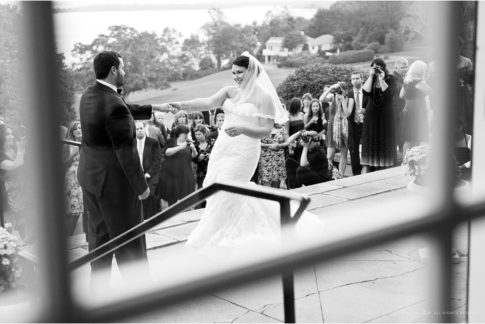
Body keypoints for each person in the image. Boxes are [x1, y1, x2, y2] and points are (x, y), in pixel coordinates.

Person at [169, 52, 317, 248]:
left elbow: (265, 129)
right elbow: (206, 102)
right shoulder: (229, 92)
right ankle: (227, 236)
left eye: (239, 72)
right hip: (223, 149)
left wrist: (242, 129)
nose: (236, 76)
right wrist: (180, 105)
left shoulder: (263, 97)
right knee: (215, 189)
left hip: (245, 151)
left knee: (229, 189)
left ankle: (217, 241)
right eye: (233, 73)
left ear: (251, 71)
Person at [77, 51, 173, 281]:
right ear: (113, 70)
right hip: (115, 187)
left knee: (100, 240)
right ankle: (138, 295)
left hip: (91, 179)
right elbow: (126, 152)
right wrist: (142, 188)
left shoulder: (90, 93)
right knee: (131, 243)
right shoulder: (114, 105)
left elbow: (120, 109)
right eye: (123, 67)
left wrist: (154, 108)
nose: (125, 71)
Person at [361, 58, 397, 173]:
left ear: (383, 67)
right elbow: (365, 91)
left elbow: (390, 94)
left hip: (385, 118)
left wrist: (381, 79)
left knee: (384, 143)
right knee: (371, 144)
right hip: (371, 118)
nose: (376, 70)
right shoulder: (371, 80)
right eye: (374, 67)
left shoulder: (390, 79)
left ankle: (385, 171)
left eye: (378, 67)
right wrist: (371, 76)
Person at [321, 82, 353, 179]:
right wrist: (331, 87)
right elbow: (321, 99)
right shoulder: (332, 97)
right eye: (339, 89)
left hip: (344, 129)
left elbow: (347, 114)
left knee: (343, 154)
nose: (341, 91)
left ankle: (341, 176)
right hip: (333, 128)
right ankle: (328, 174)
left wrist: (343, 100)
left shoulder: (350, 99)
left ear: (346, 90)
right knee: (330, 155)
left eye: (343, 89)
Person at [160, 124, 197, 206]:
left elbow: (193, 157)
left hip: (186, 174)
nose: (186, 135)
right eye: (185, 133)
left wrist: (194, 150)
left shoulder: (188, 142)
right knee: (173, 200)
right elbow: (167, 152)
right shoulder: (171, 141)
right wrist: (179, 147)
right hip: (174, 175)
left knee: (187, 199)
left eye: (187, 133)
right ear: (179, 133)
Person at [400, 60, 431, 155]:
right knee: (420, 139)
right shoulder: (420, 83)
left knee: (409, 139)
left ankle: (406, 162)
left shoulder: (407, 81)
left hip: (407, 112)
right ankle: (417, 161)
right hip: (418, 113)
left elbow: (401, 95)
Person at [135, 121, 161, 220]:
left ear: (144, 129)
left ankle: (151, 221)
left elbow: (157, 161)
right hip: (137, 176)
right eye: (137, 129)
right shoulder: (132, 143)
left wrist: (148, 174)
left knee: (150, 199)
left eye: (141, 128)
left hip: (150, 176)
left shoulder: (153, 142)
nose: (139, 131)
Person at [64, 121, 84, 236]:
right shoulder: (68, 144)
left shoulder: (86, 143)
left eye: (80, 128)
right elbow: (62, 163)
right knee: (74, 209)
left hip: (86, 176)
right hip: (73, 178)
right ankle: (68, 235)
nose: (78, 130)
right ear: (72, 132)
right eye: (75, 129)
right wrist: (73, 154)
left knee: (84, 209)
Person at [347, 72, 367, 176]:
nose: (355, 80)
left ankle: (368, 169)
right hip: (353, 125)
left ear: (361, 79)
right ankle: (356, 173)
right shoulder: (349, 94)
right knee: (353, 149)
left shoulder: (367, 91)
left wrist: (366, 109)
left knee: (367, 147)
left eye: (357, 78)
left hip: (365, 124)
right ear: (351, 81)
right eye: (353, 79)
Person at [391, 58, 409, 152]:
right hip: (396, 112)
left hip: (402, 112)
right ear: (396, 67)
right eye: (402, 67)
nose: (405, 69)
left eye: (406, 67)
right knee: (397, 137)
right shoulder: (392, 78)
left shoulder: (404, 77)